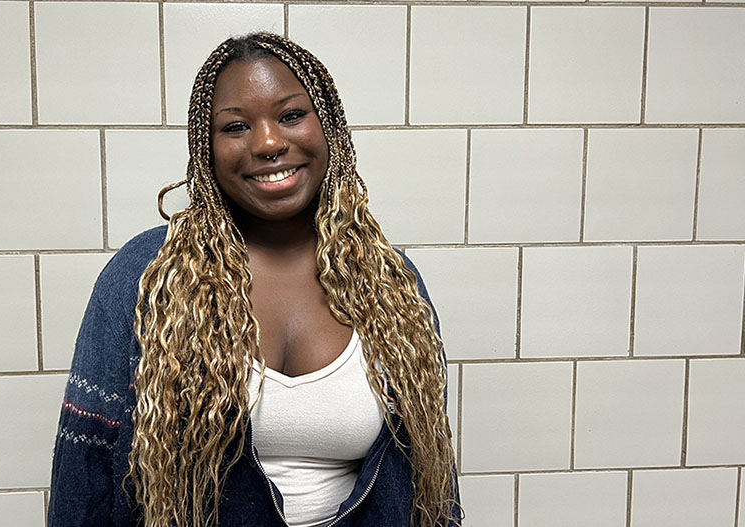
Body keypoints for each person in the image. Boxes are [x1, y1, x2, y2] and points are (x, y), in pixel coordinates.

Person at [48, 32, 461, 527]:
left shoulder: (389, 282)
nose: (268, 143)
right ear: (208, 149)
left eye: (290, 115)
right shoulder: (148, 276)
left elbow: (434, 484)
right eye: (237, 126)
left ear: (328, 127)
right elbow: (85, 458)